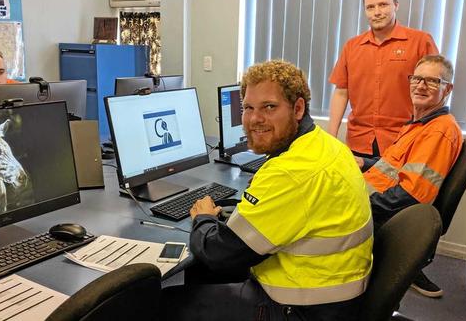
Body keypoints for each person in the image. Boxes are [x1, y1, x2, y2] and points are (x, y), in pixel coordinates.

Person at [160, 60, 373, 321]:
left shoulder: (291, 172)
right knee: (201, 276)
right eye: (248, 108)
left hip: (300, 308)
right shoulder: (326, 145)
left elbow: (220, 254)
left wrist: (203, 219)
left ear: (298, 108)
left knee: (160, 304)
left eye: (269, 107)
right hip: (334, 295)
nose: (255, 119)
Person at [356, 54, 463, 298]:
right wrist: (364, 162)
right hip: (373, 192)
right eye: (417, 79)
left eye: (433, 81)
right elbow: (398, 168)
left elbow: (412, 194)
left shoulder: (440, 131)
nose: (421, 85)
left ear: (447, 89)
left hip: (384, 211)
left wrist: (358, 205)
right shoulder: (417, 124)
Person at [328, 0, 439, 158]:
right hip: (358, 142)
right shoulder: (352, 46)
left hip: (403, 141)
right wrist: (331, 138)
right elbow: (341, 92)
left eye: (383, 5)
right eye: (370, 7)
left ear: (395, 5)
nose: (377, 12)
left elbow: (435, 93)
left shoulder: (421, 42)